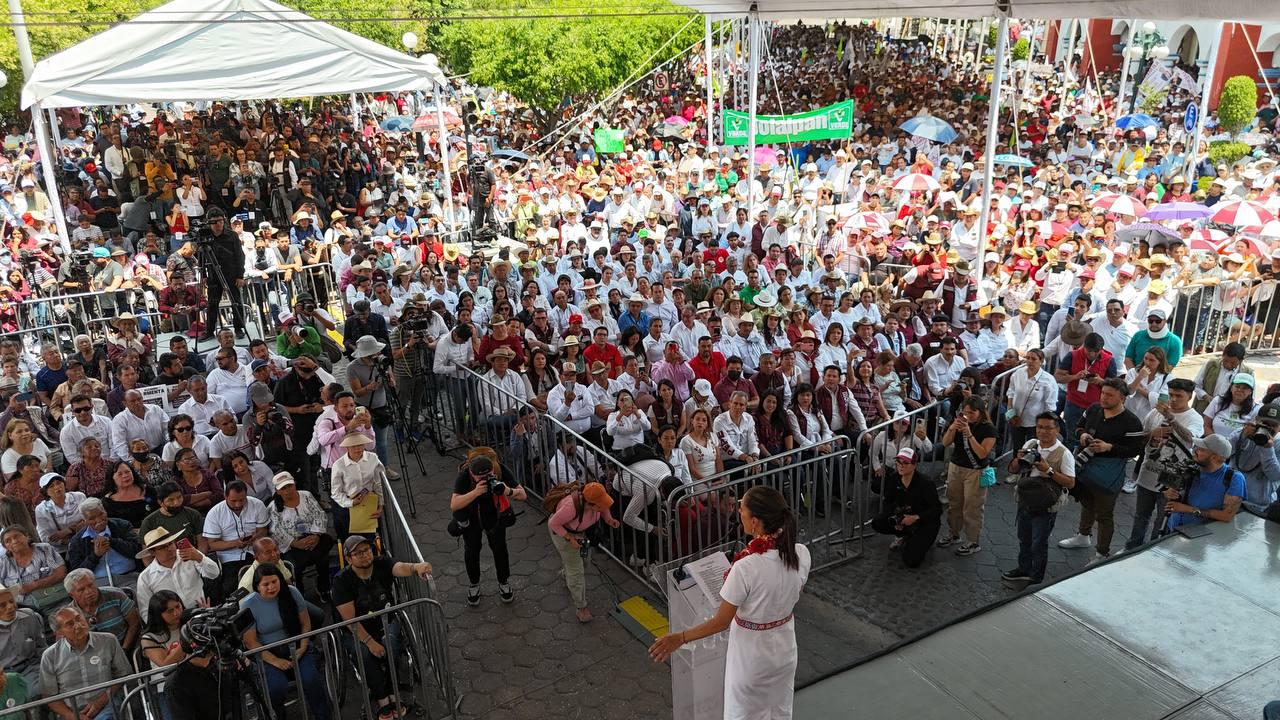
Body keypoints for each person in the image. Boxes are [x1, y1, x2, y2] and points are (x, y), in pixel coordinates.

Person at [648, 486, 810, 719]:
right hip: (785, 652)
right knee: (779, 711)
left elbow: (721, 622)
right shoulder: (801, 553)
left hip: (751, 658)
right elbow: (795, 591)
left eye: (741, 509)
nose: (737, 513)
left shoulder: (746, 568)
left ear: (754, 521)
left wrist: (679, 638)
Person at [332, 534, 433, 720]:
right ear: (348, 559)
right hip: (357, 630)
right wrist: (369, 642)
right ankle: (382, 699)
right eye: (358, 553)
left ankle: (394, 692)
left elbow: (400, 567)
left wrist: (416, 567)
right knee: (365, 656)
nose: (364, 555)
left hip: (386, 621)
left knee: (391, 647)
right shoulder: (341, 581)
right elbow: (349, 620)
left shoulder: (381, 563)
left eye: (366, 550)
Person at [1058, 379, 1146, 561]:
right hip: (1085, 467)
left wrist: (1109, 447)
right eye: (1103, 393)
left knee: (1104, 514)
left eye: (1110, 395)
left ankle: (1102, 553)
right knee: (1086, 502)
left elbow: (1135, 450)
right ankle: (1083, 536)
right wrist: (1082, 435)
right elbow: (1078, 427)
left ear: (1122, 398)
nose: (1104, 398)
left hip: (1109, 474)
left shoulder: (1132, 422)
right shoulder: (1093, 409)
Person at [239, 564, 332, 720]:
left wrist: (302, 647)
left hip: (297, 645)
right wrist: (276, 661)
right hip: (267, 652)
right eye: (265, 584)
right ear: (257, 587)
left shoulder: (292, 593)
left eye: (274, 582)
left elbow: (305, 623)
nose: (271, 587)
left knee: (311, 680)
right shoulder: (248, 604)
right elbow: (251, 642)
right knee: (276, 688)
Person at [1125, 378, 1205, 550]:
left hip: (1172, 480)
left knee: (1162, 519)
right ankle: (1132, 548)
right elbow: (1142, 435)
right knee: (1140, 516)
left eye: (1179, 396)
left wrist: (1172, 420)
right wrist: (1152, 435)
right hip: (1148, 472)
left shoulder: (1195, 418)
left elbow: (1192, 440)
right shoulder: (1155, 413)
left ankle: (1155, 551)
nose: (1173, 399)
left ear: (1190, 396)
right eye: (1170, 395)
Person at [1002, 412, 1077, 586]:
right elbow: (1014, 470)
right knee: (1024, 538)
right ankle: (1024, 569)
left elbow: (1071, 483)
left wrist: (1048, 470)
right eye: (1040, 427)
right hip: (1025, 500)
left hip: (1046, 506)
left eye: (1048, 428)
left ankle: (1036, 578)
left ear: (1057, 429)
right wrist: (1018, 460)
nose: (1043, 432)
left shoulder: (1064, 454)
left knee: (1039, 543)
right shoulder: (1031, 444)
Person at [450, 451, 525, 607]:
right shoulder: (464, 476)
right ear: (472, 473)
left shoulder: (500, 470)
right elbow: (454, 504)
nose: (485, 479)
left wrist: (508, 490)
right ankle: (474, 584)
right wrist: (476, 492)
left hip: (494, 515)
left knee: (500, 549)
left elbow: (523, 495)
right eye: (480, 477)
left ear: (493, 469)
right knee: (471, 550)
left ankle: (503, 581)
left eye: (489, 475)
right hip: (472, 517)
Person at [139, 591, 224, 720]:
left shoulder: (191, 623)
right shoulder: (149, 637)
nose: (176, 613)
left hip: (201, 678)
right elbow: (166, 664)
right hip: (168, 687)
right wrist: (188, 636)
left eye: (178, 607)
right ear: (158, 614)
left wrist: (208, 623)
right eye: (169, 611)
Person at [39, 606, 131, 720]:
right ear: (60, 632)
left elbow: (123, 674)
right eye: (70, 624)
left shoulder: (108, 641)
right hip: (71, 713)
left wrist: (100, 702)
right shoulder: (50, 656)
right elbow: (49, 696)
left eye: (79, 619)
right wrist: (72, 716)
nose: (78, 625)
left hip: (107, 705)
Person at [546, 481, 620, 623]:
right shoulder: (570, 507)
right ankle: (581, 607)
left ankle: (568, 574)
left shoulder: (594, 503)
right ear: (590, 504)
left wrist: (609, 519)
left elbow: (603, 507)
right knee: (576, 571)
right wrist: (569, 538)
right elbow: (553, 523)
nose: (603, 506)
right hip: (565, 536)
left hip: (582, 535)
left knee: (585, 562)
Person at [936, 396, 997, 556]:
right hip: (956, 467)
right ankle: (953, 533)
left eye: (972, 413)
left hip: (976, 471)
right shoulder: (959, 422)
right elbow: (945, 443)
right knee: (954, 503)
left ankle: (972, 541)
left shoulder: (988, 429)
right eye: (965, 412)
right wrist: (952, 428)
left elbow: (982, 453)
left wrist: (969, 435)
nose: (968, 416)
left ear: (980, 412)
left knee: (972, 507)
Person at [267, 472, 334, 600]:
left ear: (295, 484)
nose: (288, 491)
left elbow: (319, 514)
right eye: (283, 488)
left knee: (323, 560)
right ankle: (299, 595)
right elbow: (275, 531)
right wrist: (294, 543)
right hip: (293, 546)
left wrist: (316, 535)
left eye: (289, 486)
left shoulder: (306, 496)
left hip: (314, 539)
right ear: (277, 491)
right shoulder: (273, 508)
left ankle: (324, 588)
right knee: (294, 568)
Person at [871, 448, 942, 568]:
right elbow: (888, 502)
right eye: (898, 462)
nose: (901, 466)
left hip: (925, 522)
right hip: (904, 517)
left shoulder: (926, 483)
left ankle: (920, 539)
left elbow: (937, 510)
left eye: (905, 463)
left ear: (914, 465)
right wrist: (895, 519)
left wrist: (916, 518)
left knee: (911, 560)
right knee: (878, 522)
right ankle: (903, 534)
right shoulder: (894, 479)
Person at [135, 526, 220, 621]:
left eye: (170, 543)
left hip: (200, 612)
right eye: (163, 547)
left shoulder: (190, 555)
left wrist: (200, 558)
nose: (170, 548)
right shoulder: (145, 577)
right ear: (152, 552)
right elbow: (146, 611)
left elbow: (214, 574)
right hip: (171, 622)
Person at [1162, 434, 1244, 531]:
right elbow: (1171, 494)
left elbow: (1226, 516)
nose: (1195, 451)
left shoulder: (1235, 478)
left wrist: (1188, 509)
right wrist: (1169, 493)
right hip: (1172, 528)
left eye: (1201, 449)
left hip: (1200, 535)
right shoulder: (1191, 467)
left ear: (1214, 457)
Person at [202, 480, 270, 595]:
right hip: (230, 558)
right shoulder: (215, 513)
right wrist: (235, 543)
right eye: (233, 501)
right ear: (225, 496)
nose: (238, 504)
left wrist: (255, 537)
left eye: (242, 500)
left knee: (266, 580)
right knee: (231, 589)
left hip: (255, 552)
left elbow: (263, 531)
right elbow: (213, 544)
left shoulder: (257, 504)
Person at [197, 208, 248, 340]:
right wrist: (203, 276)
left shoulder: (232, 235)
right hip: (213, 275)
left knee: (236, 302)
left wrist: (240, 276)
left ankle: (239, 328)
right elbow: (201, 256)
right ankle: (209, 331)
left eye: (220, 221)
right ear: (209, 223)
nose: (218, 225)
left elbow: (240, 256)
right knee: (212, 304)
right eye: (214, 222)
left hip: (231, 273)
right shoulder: (205, 237)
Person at [66, 498, 142, 586]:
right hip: (98, 583)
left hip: (129, 576)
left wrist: (112, 541)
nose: (99, 520)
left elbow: (137, 551)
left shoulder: (122, 525)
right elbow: (77, 573)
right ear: (84, 521)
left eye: (101, 514)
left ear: (105, 511)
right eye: (92, 518)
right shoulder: (77, 541)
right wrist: (95, 555)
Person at [64, 569, 141, 652]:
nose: (89, 591)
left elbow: (134, 623)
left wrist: (124, 649)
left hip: (127, 647)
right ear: (71, 595)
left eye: (91, 585)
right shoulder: (69, 615)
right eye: (81, 590)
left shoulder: (115, 595)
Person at [330, 433, 384, 540]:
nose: (358, 449)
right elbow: (336, 492)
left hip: (370, 504)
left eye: (360, 445)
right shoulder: (338, 465)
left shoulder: (373, 458)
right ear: (347, 448)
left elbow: (379, 484)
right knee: (351, 539)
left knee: (373, 537)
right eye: (354, 446)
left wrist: (381, 505)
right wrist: (351, 503)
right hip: (348, 507)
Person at [0, 525, 66, 610]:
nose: (14, 541)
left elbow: (61, 572)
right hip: (24, 608)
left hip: (55, 600)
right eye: (8, 541)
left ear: (27, 536)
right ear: (5, 547)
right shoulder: (3, 562)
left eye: (17, 536)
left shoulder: (44, 549)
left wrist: (34, 585)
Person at [0, 584, 48, 697]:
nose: (10, 607)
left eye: (12, 601)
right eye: (2, 605)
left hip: (31, 668)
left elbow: (42, 649)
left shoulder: (30, 616)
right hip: (3, 676)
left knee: (38, 692)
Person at [35, 472, 87, 555]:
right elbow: (46, 538)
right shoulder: (41, 509)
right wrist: (66, 540)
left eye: (59, 483)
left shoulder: (79, 497)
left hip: (85, 541)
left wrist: (69, 530)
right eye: (51, 486)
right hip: (61, 550)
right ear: (46, 492)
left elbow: (89, 520)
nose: (57, 487)